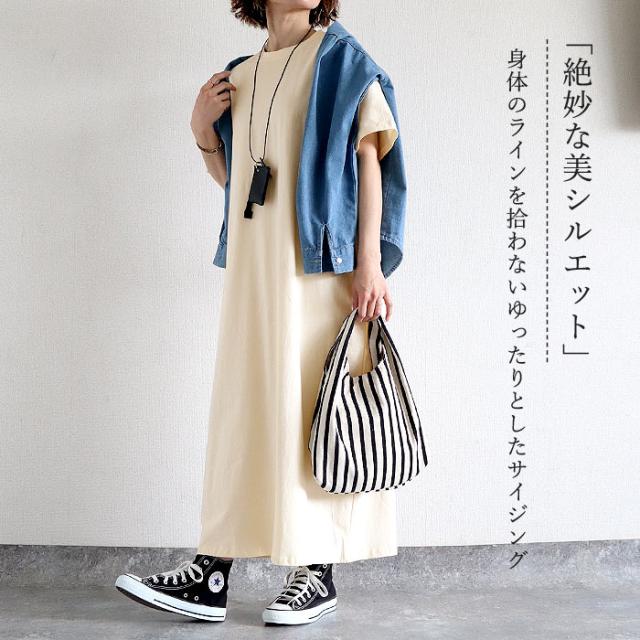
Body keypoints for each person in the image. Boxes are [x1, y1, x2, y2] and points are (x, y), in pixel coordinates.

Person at [115, 0, 407, 627]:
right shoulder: (239, 76)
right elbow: (237, 183)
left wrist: (370, 264)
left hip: (318, 272)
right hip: (255, 269)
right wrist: (202, 129)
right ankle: (212, 572)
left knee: (316, 412)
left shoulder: (342, 61)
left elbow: (370, 160)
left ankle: (317, 571)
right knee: (244, 410)